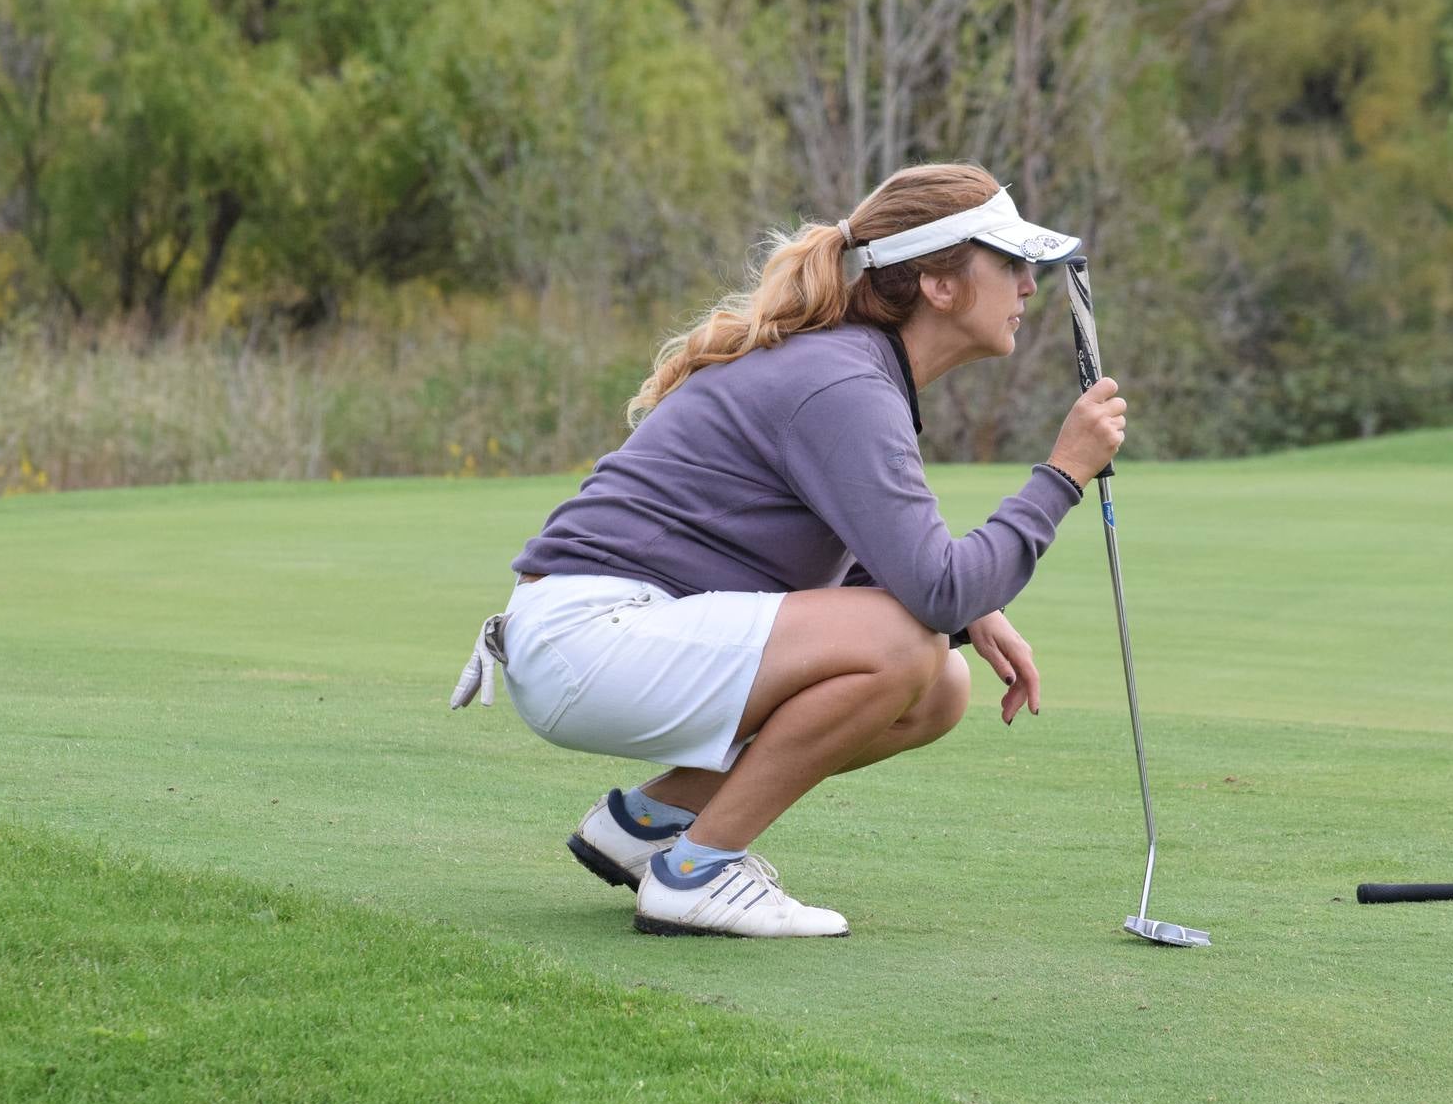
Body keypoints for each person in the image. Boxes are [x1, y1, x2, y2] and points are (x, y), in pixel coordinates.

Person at [452, 162, 1126, 938]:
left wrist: (978, 614)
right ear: (938, 284)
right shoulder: (842, 384)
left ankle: (648, 825)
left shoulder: (851, 371)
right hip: (591, 636)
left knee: (938, 685)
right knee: (907, 642)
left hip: (612, 634)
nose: (1028, 288)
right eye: (1007, 264)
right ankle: (696, 872)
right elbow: (933, 593)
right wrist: (1061, 475)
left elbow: (901, 573)